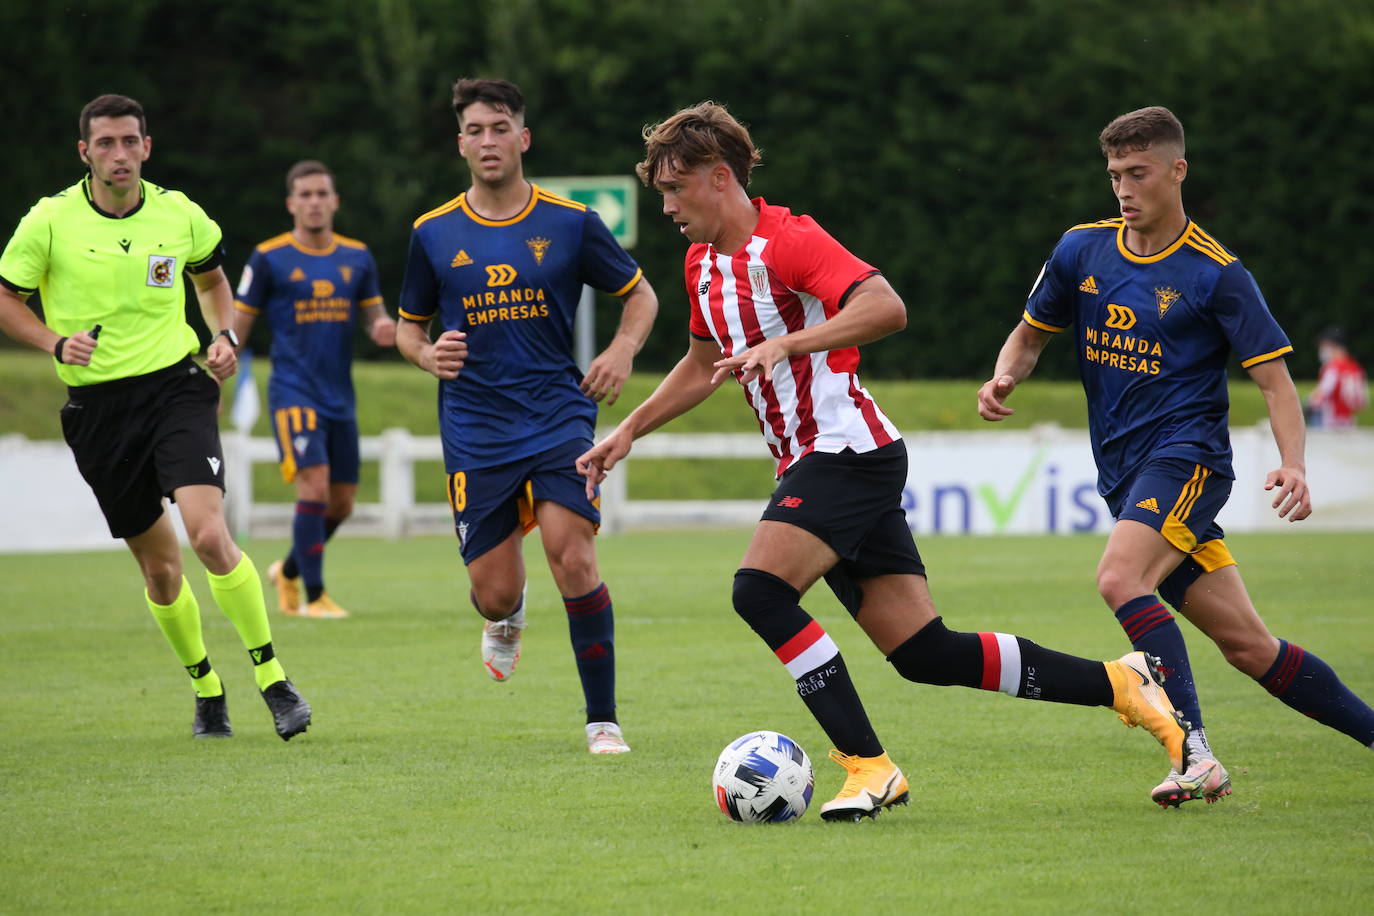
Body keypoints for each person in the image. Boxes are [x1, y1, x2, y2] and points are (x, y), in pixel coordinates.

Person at [578, 100, 1190, 819]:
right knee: (926, 654)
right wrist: (630, 432)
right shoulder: (700, 263)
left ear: (719, 178)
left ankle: (869, 767)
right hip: (821, 464)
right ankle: (1122, 684)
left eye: (675, 190)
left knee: (759, 591)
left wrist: (791, 342)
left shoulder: (790, 240)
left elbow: (887, 306)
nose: (668, 207)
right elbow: (702, 361)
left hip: (847, 454)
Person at [978, 106, 1374, 807]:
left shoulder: (1216, 273)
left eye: (1137, 173)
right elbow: (1029, 335)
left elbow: (1277, 383)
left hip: (1188, 461)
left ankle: (1193, 752)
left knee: (1118, 577)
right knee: (1252, 648)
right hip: (1126, 474)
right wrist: (1006, 373)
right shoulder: (1080, 250)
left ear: (1176, 170)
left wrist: (1295, 463)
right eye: (1113, 176)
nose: (1123, 190)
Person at [0, 94, 312, 740]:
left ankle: (274, 679)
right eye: (106, 144)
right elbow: (6, 300)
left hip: (177, 389)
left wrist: (223, 336)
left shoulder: (178, 214)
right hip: (98, 411)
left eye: (130, 142)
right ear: (84, 152)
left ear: (148, 147)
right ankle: (206, 687)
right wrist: (54, 343)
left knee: (207, 535)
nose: (120, 154)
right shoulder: (50, 222)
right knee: (162, 571)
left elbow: (212, 281)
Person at [395, 78, 659, 754]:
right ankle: (506, 617)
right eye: (476, 129)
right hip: (475, 427)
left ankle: (603, 721)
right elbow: (406, 329)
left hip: (557, 413)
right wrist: (427, 356)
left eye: (500, 126)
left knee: (572, 554)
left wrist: (623, 350)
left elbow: (642, 297)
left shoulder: (570, 222)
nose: (489, 139)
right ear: (460, 143)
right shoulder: (432, 231)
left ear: (524, 137)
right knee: (492, 591)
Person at [232, 160, 397, 619]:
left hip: (339, 396)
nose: (314, 202)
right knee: (315, 486)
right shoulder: (269, 257)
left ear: (335, 201)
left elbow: (375, 318)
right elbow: (239, 324)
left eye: (322, 193)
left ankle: (286, 570)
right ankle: (314, 595)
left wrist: (389, 329)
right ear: (291, 204)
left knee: (342, 503)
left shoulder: (357, 257)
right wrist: (220, 361)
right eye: (304, 195)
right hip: (292, 390)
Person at [1306, 326, 1367, 428]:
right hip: (1348, 423)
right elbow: (1361, 402)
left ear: (1333, 346)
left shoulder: (1333, 368)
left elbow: (1320, 397)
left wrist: (1308, 401)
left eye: (1323, 346)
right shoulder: (1356, 367)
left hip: (1329, 423)